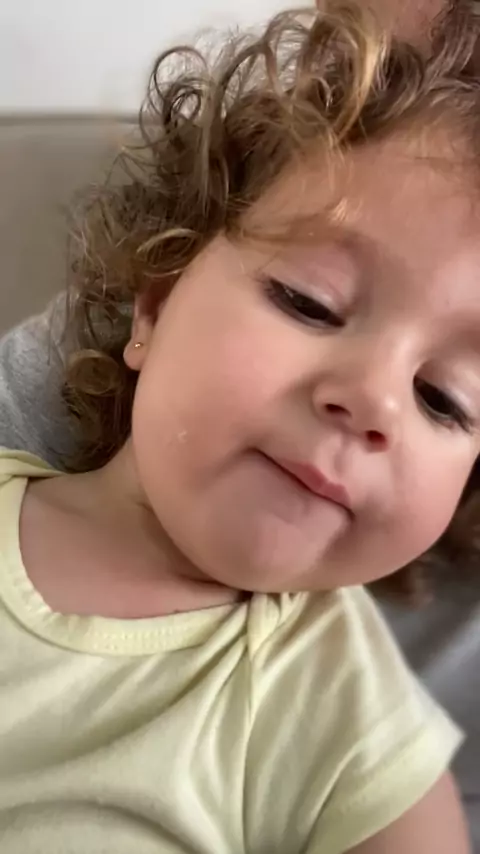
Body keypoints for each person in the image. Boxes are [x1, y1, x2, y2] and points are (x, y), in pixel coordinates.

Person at [0, 1, 479, 851]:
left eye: (444, 399)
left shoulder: (352, 721)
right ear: (153, 306)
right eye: (309, 302)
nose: (373, 402)